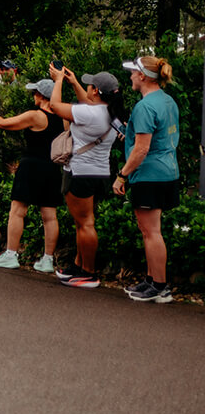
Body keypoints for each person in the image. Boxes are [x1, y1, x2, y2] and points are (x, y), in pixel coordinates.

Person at [47, 65, 125, 288]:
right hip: (99, 173)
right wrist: (74, 83)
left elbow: (55, 106)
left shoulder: (90, 113)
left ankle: (89, 273)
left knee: (85, 224)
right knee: (83, 223)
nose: (87, 88)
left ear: (96, 91)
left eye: (90, 85)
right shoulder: (111, 114)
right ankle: (79, 266)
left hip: (80, 173)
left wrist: (58, 80)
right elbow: (90, 104)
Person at [0, 79, 62, 274]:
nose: (33, 96)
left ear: (42, 96)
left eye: (35, 93)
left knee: (17, 211)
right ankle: (48, 259)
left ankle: (11, 254)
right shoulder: (63, 118)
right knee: (50, 216)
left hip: (31, 166)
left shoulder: (36, 116)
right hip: (52, 167)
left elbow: (0, 123)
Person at [116, 56, 180, 303]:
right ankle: (152, 280)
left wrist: (122, 176)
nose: (131, 76)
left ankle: (160, 287)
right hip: (167, 171)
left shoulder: (144, 107)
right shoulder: (168, 100)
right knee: (150, 231)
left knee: (151, 232)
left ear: (142, 76)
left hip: (149, 174)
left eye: (133, 72)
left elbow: (142, 149)